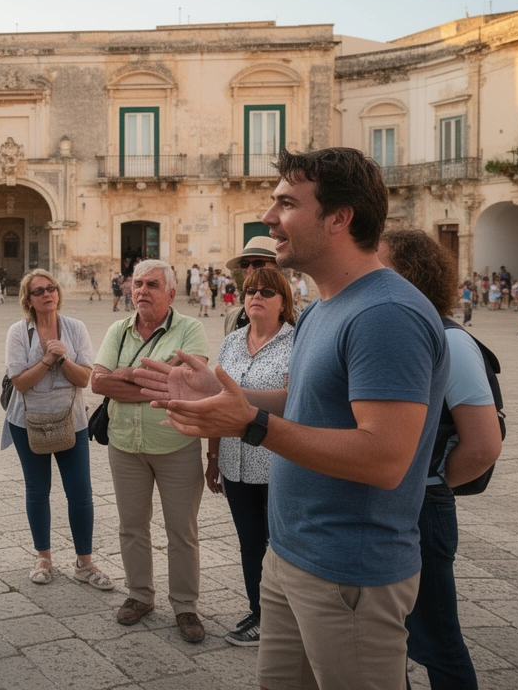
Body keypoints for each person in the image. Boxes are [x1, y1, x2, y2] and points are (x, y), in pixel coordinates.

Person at [135, 148, 448, 689]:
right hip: (289, 557)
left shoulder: (386, 315)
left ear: (339, 217)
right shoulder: (328, 307)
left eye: (285, 203)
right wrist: (227, 392)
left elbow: (385, 458)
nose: (270, 218)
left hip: (348, 573)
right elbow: (307, 401)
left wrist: (250, 425)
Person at [378, 229, 501, 690]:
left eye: (381, 265)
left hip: (424, 507)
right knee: (396, 636)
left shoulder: (451, 341)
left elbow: (484, 444)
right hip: (396, 501)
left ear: (410, 275)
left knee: (436, 640)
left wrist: (432, 481)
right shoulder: (407, 331)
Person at [90, 259, 210, 643]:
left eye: (152, 285)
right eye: (137, 283)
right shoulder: (118, 329)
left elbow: (185, 385)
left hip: (176, 443)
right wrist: (150, 378)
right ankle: (140, 595)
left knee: (182, 530)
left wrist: (121, 374)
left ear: (171, 293)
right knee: (131, 526)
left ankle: (185, 605)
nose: (141, 291)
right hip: (125, 445)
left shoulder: (190, 329)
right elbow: (97, 383)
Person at [3, 269, 111, 592]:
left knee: (80, 493)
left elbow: (84, 378)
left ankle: (84, 562)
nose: (47, 294)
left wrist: (61, 360)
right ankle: (43, 558)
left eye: (51, 288)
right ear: (29, 300)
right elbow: (19, 382)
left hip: (71, 420)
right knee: (37, 491)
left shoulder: (75, 329)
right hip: (27, 421)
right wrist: (49, 358)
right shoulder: (19, 333)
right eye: (39, 291)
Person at [207, 266, 295, 648]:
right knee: (249, 542)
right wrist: (212, 456)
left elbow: (295, 404)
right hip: (234, 460)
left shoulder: (296, 342)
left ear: (283, 302)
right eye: (250, 291)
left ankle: (282, 616)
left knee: (280, 543)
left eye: (266, 292)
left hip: (277, 462)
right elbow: (216, 402)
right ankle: (259, 611)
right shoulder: (232, 342)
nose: (256, 296)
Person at [221, 237, 280, 335]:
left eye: (258, 263)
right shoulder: (233, 317)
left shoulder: (298, 319)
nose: (249, 270)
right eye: (245, 264)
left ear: (278, 267)